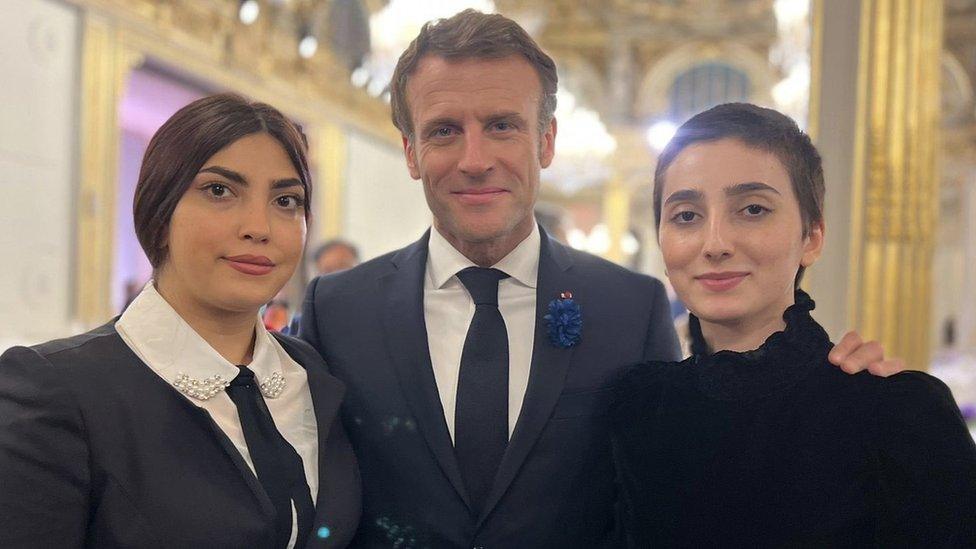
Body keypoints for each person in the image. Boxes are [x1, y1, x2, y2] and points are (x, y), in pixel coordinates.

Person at [300, 10, 893, 548]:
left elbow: (680, 479)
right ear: (410, 151)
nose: (475, 159)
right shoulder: (337, 309)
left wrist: (836, 387)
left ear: (547, 141)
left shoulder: (629, 306)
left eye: (503, 125)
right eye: (444, 130)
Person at [0, 94, 360, 548]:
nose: (259, 226)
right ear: (159, 207)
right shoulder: (55, 391)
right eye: (219, 190)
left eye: (286, 200)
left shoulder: (312, 373)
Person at [611, 103, 976, 546]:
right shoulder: (636, 405)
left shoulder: (897, 408)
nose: (715, 243)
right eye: (687, 215)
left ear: (812, 237)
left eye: (752, 209)